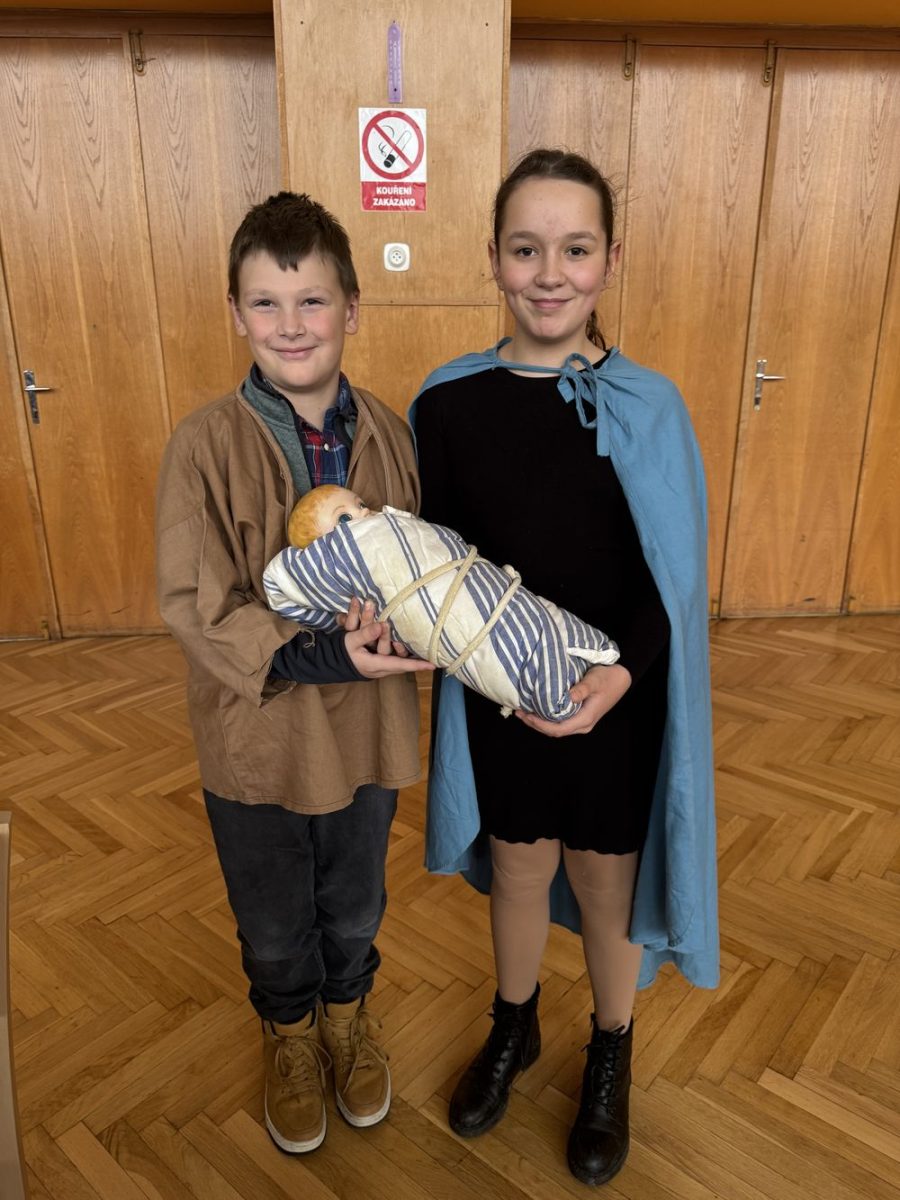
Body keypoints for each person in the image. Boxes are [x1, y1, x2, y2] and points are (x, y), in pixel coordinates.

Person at [410, 149, 717, 1187]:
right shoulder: (448, 402)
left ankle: (610, 1050)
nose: (550, 274)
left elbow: (671, 576)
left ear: (610, 260)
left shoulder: (651, 404)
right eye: (526, 249)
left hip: (614, 697)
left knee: (602, 873)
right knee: (518, 861)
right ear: (494, 258)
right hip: (498, 692)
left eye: (576, 250)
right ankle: (516, 1023)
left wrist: (621, 676)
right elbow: (440, 556)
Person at [155, 191, 433, 1157]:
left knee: (355, 901)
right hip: (259, 737)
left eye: (312, 300)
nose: (291, 324)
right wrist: (317, 652)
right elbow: (193, 602)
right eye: (266, 303)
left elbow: (423, 568)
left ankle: (347, 1020)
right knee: (273, 919)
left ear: (352, 307)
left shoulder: (391, 433)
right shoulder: (202, 444)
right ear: (236, 314)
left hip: (367, 730)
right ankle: (289, 1035)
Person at [263, 484, 621, 723]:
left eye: (359, 504)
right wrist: (336, 625)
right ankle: (558, 694)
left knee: (535, 615)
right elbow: (279, 585)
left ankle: (592, 654)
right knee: (514, 647)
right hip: (460, 635)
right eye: (344, 518)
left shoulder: (392, 512)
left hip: (490, 586)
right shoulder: (341, 555)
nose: (365, 513)